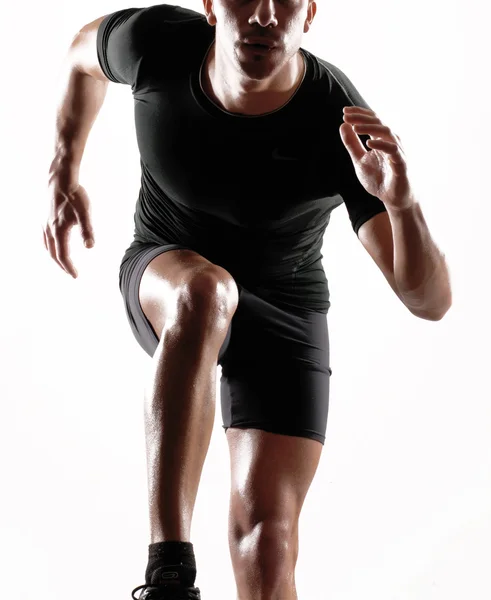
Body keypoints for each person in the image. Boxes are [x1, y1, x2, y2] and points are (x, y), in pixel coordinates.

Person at [43, 1, 451, 599]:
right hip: (168, 269)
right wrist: (63, 169)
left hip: (284, 307)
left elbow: (429, 301)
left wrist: (403, 204)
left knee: (266, 547)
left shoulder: (338, 118)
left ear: (309, 12)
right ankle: (169, 574)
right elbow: (82, 59)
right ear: (210, 5)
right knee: (207, 292)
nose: (262, 15)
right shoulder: (155, 44)